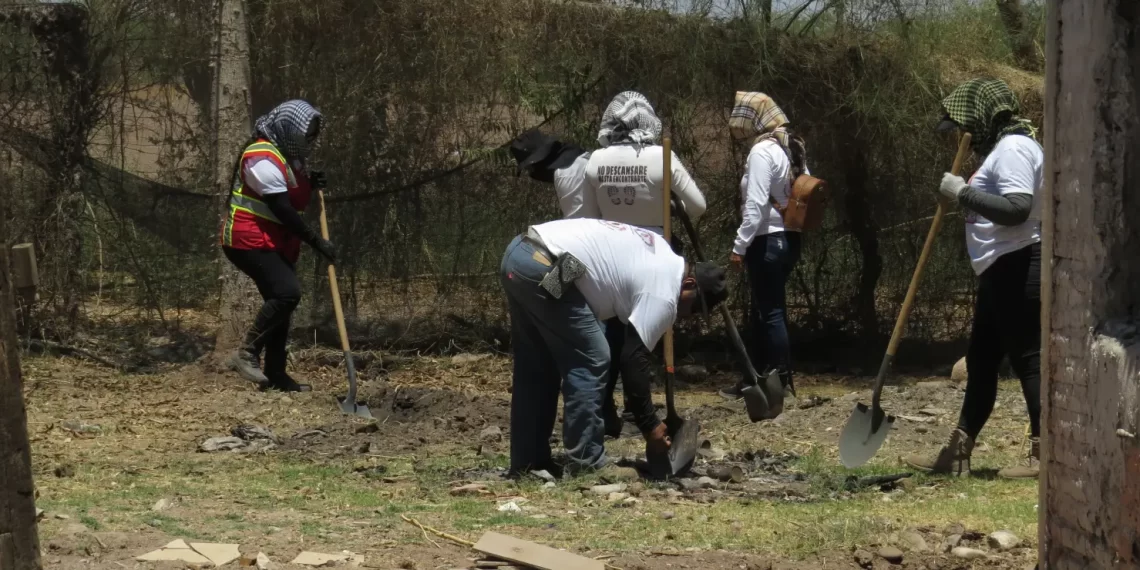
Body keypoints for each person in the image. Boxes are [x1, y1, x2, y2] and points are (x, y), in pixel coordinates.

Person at [500, 218, 728, 477]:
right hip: (545, 264)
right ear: (689, 284)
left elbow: (627, 348)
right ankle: (586, 463)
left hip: (522, 256)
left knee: (538, 363)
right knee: (593, 358)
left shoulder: (662, 253)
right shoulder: (665, 292)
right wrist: (651, 426)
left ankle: (529, 462)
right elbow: (633, 360)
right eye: (696, 307)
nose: (690, 316)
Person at [903, 78, 1042, 479]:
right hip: (999, 266)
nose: (959, 135)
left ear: (983, 117)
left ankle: (1045, 455)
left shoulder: (1014, 148)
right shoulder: (1001, 149)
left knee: (1028, 359)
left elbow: (1017, 209)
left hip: (1018, 262)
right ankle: (957, 453)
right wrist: (962, 194)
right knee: (981, 359)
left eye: (963, 126)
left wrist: (963, 193)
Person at [586, 91, 708, 437]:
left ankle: (605, 408)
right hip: (654, 255)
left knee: (611, 334)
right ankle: (639, 407)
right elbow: (698, 206)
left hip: (610, 257)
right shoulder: (660, 157)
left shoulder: (596, 160)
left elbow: (591, 215)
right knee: (642, 337)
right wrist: (665, 206)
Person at [220, 99, 336, 392]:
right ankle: (246, 353)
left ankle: (276, 373)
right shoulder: (260, 157)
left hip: (273, 241)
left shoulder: (287, 155)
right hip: (248, 239)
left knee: (280, 303)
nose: (308, 140)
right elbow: (282, 208)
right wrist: (317, 242)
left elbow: (293, 193)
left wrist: (310, 183)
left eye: (312, 134)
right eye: (305, 133)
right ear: (288, 129)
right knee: (287, 293)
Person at [719, 92, 809, 401]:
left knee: (769, 312)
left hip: (766, 241)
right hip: (790, 240)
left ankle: (776, 382)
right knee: (770, 311)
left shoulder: (761, 152)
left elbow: (755, 205)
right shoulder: (793, 147)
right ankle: (760, 379)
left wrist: (739, 246)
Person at [509, 129, 598, 219]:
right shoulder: (580, 157)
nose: (531, 173)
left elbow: (580, 224)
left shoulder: (566, 174)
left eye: (529, 169)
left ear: (537, 163)